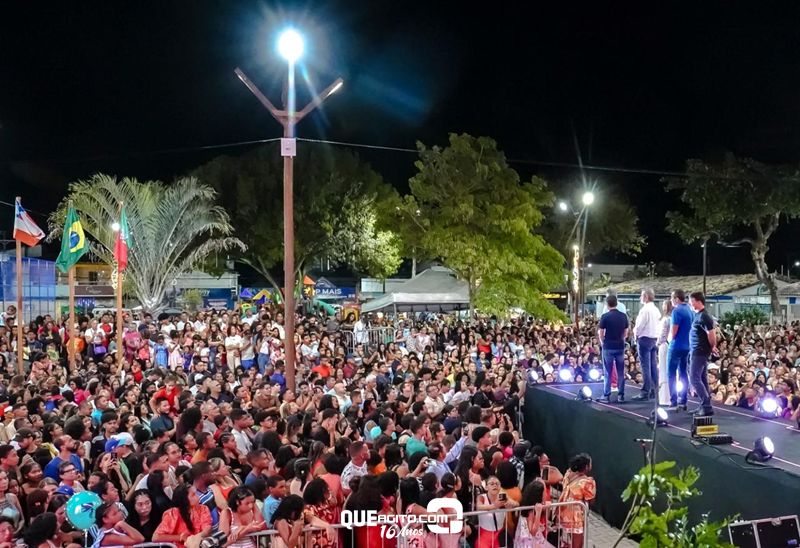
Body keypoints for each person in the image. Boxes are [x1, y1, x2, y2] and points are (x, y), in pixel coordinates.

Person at [153, 484, 213, 548]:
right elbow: (156, 537)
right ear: (184, 499)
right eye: (193, 495)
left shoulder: (203, 508)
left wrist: (195, 538)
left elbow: (207, 529)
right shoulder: (172, 513)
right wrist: (180, 537)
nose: (198, 496)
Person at [688, 292, 717, 417]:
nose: (690, 303)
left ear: (698, 301)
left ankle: (706, 405)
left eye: (691, 301)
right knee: (703, 378)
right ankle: (704, 405)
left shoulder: (704, 316)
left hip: (700, 351)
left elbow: (711, 334)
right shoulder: (697, 315)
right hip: (697, 350)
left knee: (694, 378)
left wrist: (712, 346)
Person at [558, 454, 595, 548]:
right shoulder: (587, 482)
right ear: (586, 467)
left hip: (564, 512)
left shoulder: (568, 474)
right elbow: (590, 500)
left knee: (571, 539)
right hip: (576, 517)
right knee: (578, 544)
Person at [597, 295, 629, 403]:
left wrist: (603, 342)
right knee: (620, 371)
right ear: (617, 303)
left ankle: (606, 395)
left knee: (608, 372)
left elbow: (601, 332)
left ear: (607, 304)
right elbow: (626, 332)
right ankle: (621, 395)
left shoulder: (605, 316)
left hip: (608, 346)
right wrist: (621, 339)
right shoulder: (623, 316)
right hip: (620, 346)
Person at [632, 288, 661, 401]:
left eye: (641, 295)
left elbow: (640, 326)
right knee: (653, 366)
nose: (640, 298)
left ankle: (645, 391)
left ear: (646, 297)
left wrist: (636, 335)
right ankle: (654, 390)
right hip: (654, 339)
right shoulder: (656, 310)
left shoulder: (645, 310)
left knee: (645, 366)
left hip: (644, 339)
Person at [667, 290, 693, 412]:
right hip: (687, 346)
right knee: (683, 372)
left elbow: (674, 331)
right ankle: (683, 400)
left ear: (677, 299)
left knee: (671, 374)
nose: (671, 301)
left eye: (672, 298)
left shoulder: (676, 311)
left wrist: (669, 340)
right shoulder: (689, 309)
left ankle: (673, 401)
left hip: (676, 346)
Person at [656, 299, 674, 406]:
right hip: (670, 345)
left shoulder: (666, 320)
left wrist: (657, 344)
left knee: (663, 371)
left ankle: (664, 398)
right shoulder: (672, 319)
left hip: (664, 345)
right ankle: (668, 397)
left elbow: (662, 335)